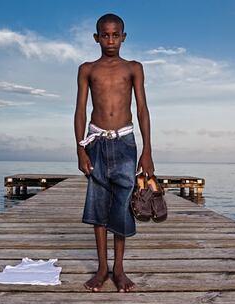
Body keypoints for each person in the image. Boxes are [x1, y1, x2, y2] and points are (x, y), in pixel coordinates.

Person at [74, 13, 154, 293]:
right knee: (98, 206)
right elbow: (80, 110)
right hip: (96, 142)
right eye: (105, 35)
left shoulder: (133, 68)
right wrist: (80, 148)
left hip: (125, 144)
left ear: (123, 37)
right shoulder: (87, 69)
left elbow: (142, 109)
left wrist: (147, 152)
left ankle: (119, 269)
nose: (110, 40)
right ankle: (101, 269)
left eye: (115, 34)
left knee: (122, 206)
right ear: (96, 38)